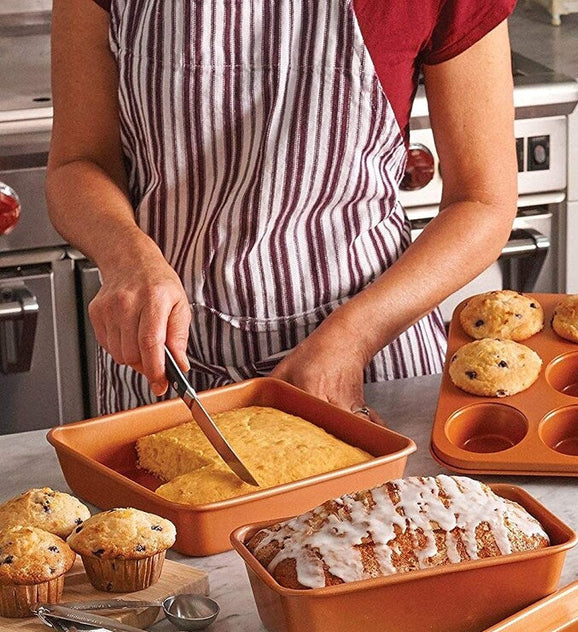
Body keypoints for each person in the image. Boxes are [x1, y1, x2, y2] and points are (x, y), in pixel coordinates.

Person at [46, 0, 518, 420]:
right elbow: (78, 161)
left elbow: (482, 201)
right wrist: (129, 259)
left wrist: (353, 336)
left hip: (367, 358)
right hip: (162, 362)